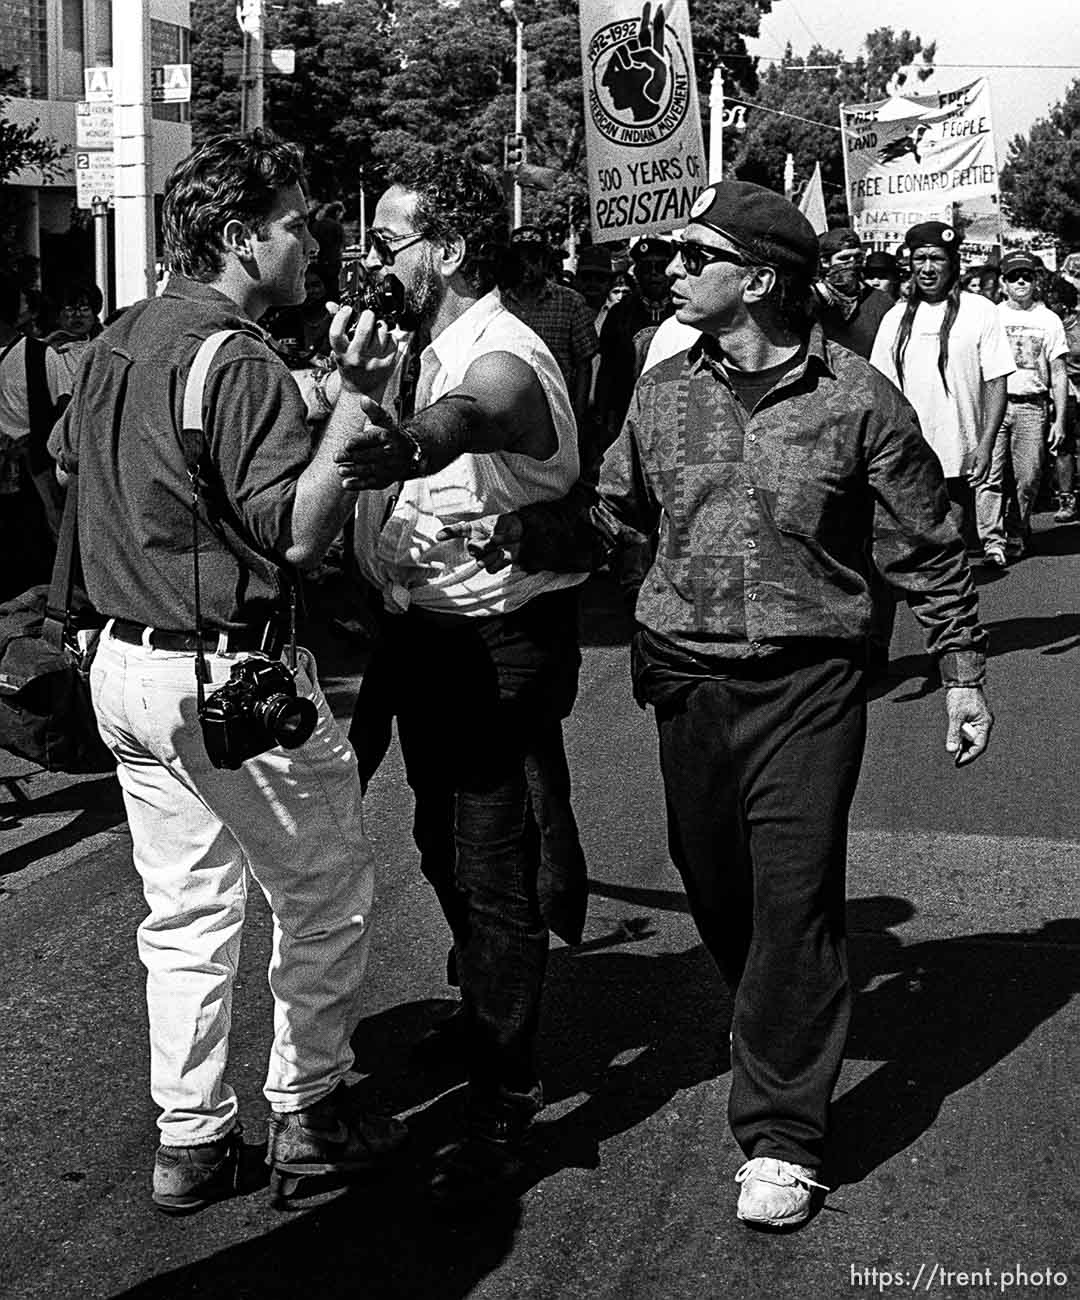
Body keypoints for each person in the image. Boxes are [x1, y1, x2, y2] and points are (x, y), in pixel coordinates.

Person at [444, 181, 994, 1230]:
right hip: (686, 674)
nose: (671, 269)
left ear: (761, 278)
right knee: (718, 883)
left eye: (693, 255)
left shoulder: (855, 398)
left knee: (794, 893)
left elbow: (926, 542)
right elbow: (609, 515)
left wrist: (962, 667)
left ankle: (783, 1131)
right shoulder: (660, 394)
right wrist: (522, 537)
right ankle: (770, 1011)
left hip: (810, 678)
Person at [49, 130, 408, 1215]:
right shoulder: (239, 357)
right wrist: (353, 398)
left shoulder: (122, 337)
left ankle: (193, 1137)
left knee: (187, 909)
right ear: (239, 238)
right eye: (298, 221)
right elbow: (296, 536)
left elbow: (73, 464)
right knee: (325, 890)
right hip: (225, 678)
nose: (317, 238)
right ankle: (309, 1105)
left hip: (124, 664)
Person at [336, 152, 587, 1203]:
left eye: (390, 241)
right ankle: (484, 1002)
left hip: (502, 643)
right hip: (427, 637)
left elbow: (473, 418)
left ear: (447, 247)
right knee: (439, 837)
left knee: (492, 861)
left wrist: (398, 445)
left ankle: (508, 1082)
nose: (372, 258)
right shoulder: (422, 344)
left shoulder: (503, 354)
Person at [870, 221, 1013, 567]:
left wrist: (986, 444)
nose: (928, 268)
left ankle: (956, 615)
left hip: (958, 454)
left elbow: (996, 382)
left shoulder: (981, 311)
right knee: (917, 551)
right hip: (908, 457)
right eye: (920, 259)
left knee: (953, 547)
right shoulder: (895, 318)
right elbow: (879, 389)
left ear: (953, 262)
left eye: (936, 258)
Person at [989, 250, 1069, 553]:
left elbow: (1059, 373)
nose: (1020, 282)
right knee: (990, 476)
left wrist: (1059, 419)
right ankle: (992, 540)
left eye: (1026, 276)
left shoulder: (1049, 320)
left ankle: (1017, 527)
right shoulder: (992, 315)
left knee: (1029, 476)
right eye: (1013, 277)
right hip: (995, 404)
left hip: (1032, 406)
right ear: (1002, 283)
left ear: (1036, 281)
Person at [0, 276, 70, 597]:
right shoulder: (43, 356)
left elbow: (65, 418)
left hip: (35, 483)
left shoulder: (42, 357)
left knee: (33, 571)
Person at [502, 224, 599, 429]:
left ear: (546, 262)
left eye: (534, 258)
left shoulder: (570, 302)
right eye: (521, 259)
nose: (527, 265)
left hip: (556, 414)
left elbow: (584, 366)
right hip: (507, 413)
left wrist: (578, 419)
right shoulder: (497, 302)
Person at [594, 237, 675, 450]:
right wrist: (603, 416)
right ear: (637, 273)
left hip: (677, 409)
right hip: (627, 411)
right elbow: (607, 370)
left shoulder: (685, 312)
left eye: (660, 267)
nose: (654, 274)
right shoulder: (620, 314)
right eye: (647, 267)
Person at [813, 228, 894, 358]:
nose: (852, 263)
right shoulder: (811, 300)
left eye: (857, 257)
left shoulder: (881, 301)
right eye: (844, 258)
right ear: (825, 262)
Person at [1045, 275, 1080, 522]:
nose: (1049, 306)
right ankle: (1066, 499)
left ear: (1065, 304)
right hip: (1061, 393)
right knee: (1063, 446)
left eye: (1053, 302)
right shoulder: (1047, 324)